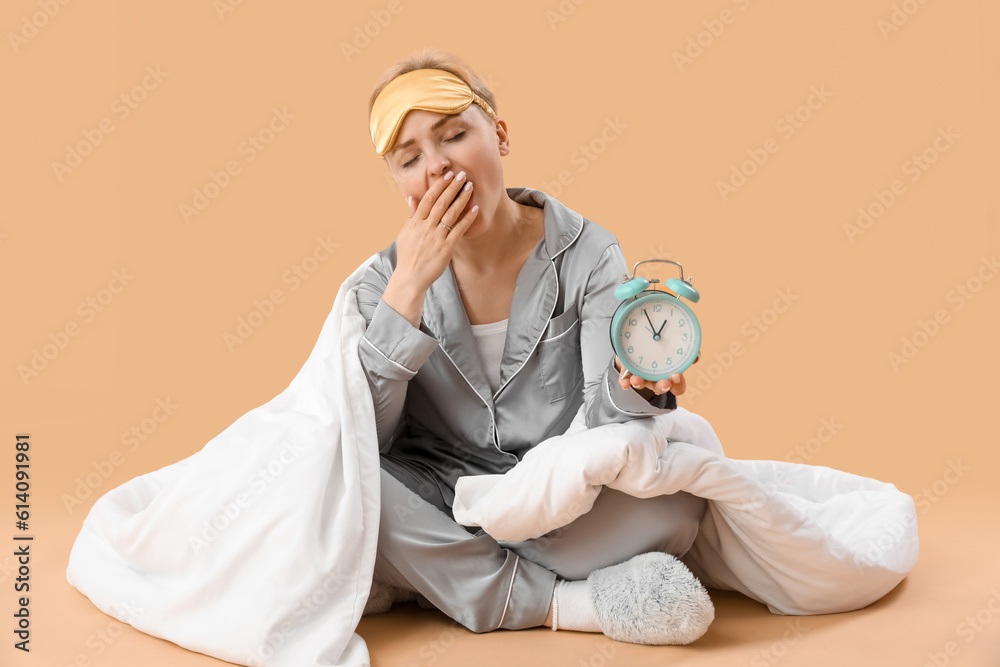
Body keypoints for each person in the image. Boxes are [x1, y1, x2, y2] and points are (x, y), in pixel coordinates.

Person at [356, 47, 713, 646]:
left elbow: (607, 420)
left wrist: (642, 389)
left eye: (453, 136)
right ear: (397, 182)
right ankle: (566, 603)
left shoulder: (589, 253)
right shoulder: (382, 284)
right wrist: (407, 294)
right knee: (354, 496)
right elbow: (371, 437)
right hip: (442, 490)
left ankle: (435, 573)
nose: (438, 167)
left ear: (498, 135)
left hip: (561, 500)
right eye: (410, 158)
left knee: (674, 512)